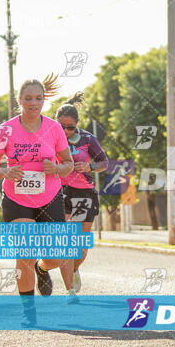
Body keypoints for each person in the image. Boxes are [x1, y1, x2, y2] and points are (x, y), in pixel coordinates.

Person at [0, 75, 74, 327]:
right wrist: (4, 171)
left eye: (38, 98)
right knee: (24, 253)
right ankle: (28, 311)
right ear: (19, 100)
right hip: (17, 198)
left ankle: (43, 269)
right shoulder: (6, 129)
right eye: (28, 98)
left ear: (44, 100)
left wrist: (55, 167)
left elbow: (68, 165)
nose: (33, 103)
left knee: (56, 257)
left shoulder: (54, 128)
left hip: (49, 197)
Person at [55, 92, 108, 294]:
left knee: (81, 247)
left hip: (84, 193)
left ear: (77, 124)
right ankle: (69, 291)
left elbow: (105, 163)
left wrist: (90, 168)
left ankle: (74, 268)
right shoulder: (48, 138)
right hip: (59, 192)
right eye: (62, 126)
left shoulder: (87, 139)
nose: (66, 131)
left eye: (70, 127)